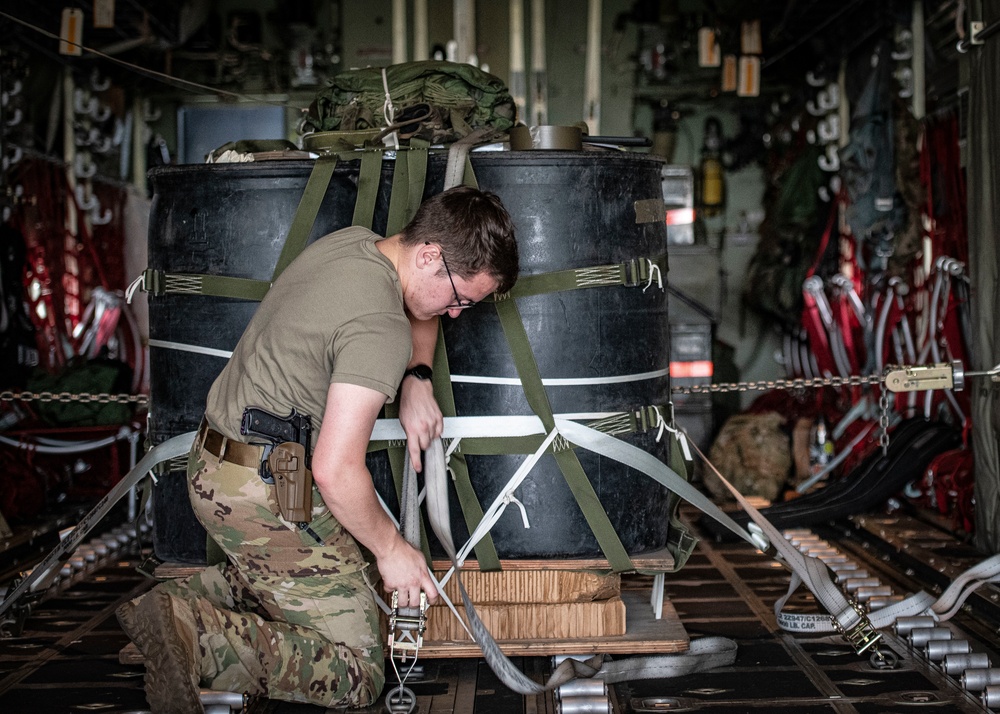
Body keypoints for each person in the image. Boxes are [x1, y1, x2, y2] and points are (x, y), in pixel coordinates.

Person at [116, 185, 519, 713]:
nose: (458, 315)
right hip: (261, 492)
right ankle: (198, 635)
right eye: (462, 298)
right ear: (429, 255)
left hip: (213, 463)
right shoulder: (379, 330)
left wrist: (418, 375)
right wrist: (394, 550)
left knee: (315, 573)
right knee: (357, 670)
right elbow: (334, 470)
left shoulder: (355, 245)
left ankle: (172, 607)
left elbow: (416, 300)